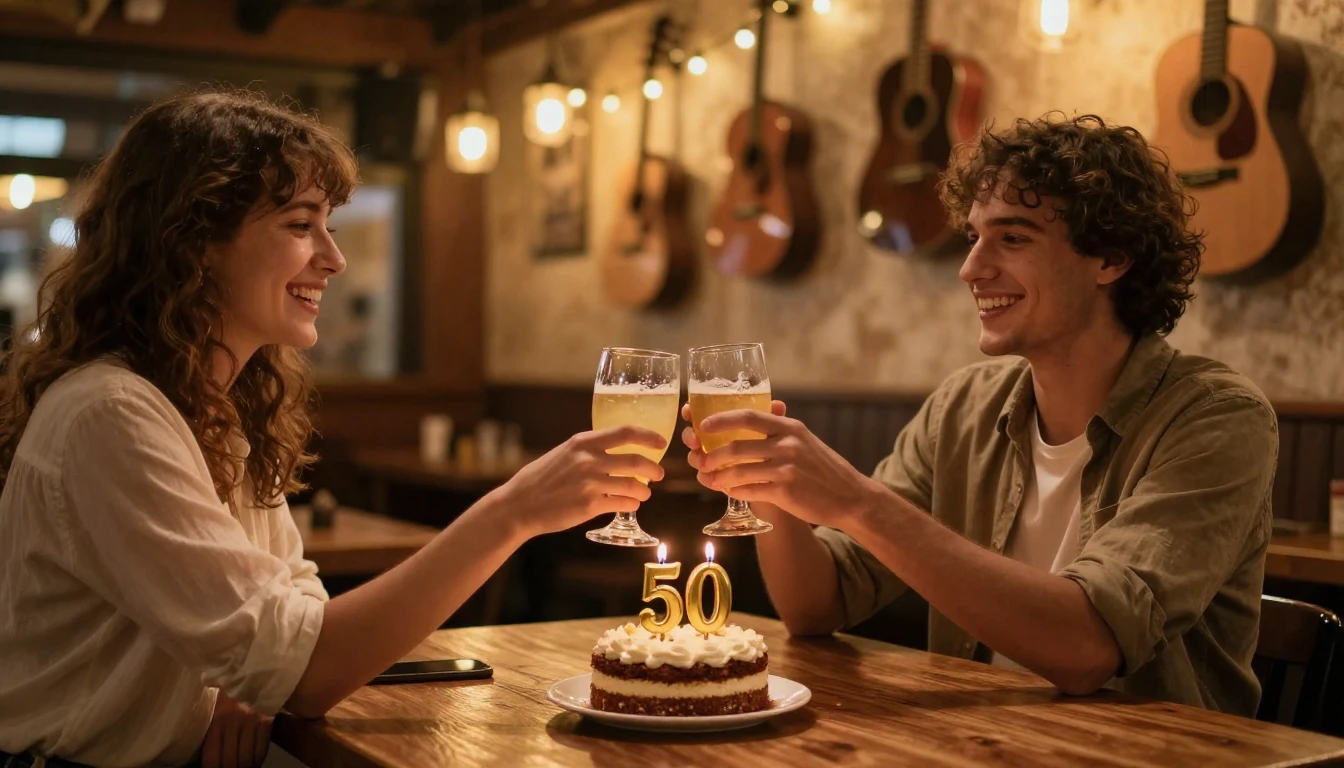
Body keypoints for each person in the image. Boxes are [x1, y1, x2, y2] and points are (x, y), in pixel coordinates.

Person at [0, 91, 666, 768]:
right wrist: (512, 511)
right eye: (299, 225)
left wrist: (253, 676)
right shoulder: (111, 414)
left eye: (330, 228)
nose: (333, 259)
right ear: (194, 241)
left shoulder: (213, 411)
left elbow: (295, 611)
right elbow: (310, 666)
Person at [682, 114, 1277, 716]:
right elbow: (818, 604)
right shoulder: (965, 406)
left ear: (1111, 257)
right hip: (987, 743)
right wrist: (768, 485)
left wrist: (856, 502)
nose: (971, 269)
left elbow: (1089, 644)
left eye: (1012, 239)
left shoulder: (1217, 417)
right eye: (973, 237)